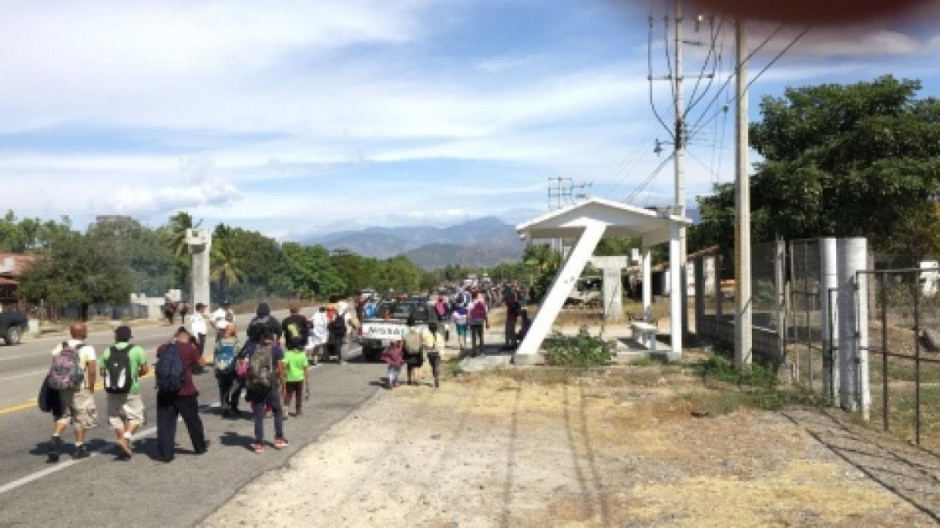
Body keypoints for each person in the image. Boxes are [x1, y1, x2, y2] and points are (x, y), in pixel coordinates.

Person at [155, 327, 209, 463]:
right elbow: (202, 363)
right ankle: (199, 446)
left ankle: (166, 454)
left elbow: (159, 355)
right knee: (192, 421)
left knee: (166, 423)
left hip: (165, 391)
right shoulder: (189, 349)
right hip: (185, 392)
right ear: (187, 338)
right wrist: (194, 347)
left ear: (176, 336)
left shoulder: (163, 348)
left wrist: (171, 341)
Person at [46, 322, 97, 462]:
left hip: (63, 386)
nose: (87, 332)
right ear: (82, 333)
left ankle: (55, 437)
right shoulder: (88, 348)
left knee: (64, 414)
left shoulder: (61, 345)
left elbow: (55, 364)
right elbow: (92, 370)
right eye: (85, 330)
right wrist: (91, 386)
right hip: (80, 387)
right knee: (81, 416)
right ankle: (79, 448)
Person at [98, 325, 148, 460]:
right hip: (131, 389)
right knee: (136, 417)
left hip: (113, 390)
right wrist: (134, 375)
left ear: (116, 336)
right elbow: (145, 369)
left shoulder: (108, 351)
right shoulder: (137, 350)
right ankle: (125, 438)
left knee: (116, 418)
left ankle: (123, 444)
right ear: (128, 337)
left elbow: (102, 372)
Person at [246, 326, 288, 453]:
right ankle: (279, 439)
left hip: (257, 386)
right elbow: (280, 369)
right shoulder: (276, 349)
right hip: (271, 384)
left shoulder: (253, 348)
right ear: (273, 337)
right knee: (277, 410)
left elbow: (250, 368)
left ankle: (259, 444)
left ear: (261, 337)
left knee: (259, 414)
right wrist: (283, 385)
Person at [215, 324, 240, 417]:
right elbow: (240, 354)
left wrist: (216, 369)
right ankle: (233, 406)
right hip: (232, 368)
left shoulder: (220, 342)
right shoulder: (236, 342)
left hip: (221, 368)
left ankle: (224, 407)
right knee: (236, 387)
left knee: (223, 388)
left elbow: (215, 355)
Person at [282, 337, 310, 418]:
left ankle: (286, 408)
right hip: (299, 378)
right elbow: (305, 368)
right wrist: (307, 380)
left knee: (288, 394)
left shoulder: (288, 354)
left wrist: (283, 374)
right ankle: (298, 410)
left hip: (289, 378)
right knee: (298, 395)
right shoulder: (302, 355)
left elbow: (284, 365)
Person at [401, 316, 424, 385]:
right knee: (416, 365)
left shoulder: (404, 329)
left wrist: (401, 349)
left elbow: (402, 340)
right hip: (417, 350)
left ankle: (409, 380)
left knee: (409, 365)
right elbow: (421, 339)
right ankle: (416, 379)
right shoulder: (418, 329)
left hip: (408, 349)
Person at [423, 322, 445, 388]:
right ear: (436, 328)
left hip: (430, 354)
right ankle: (436, 377)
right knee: (436, 366)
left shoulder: (426, 336)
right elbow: (442, 345)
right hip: (437, 354)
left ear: (429, 328)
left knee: (433, 366)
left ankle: (435, 377)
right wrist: (442, 353)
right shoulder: (439, 336)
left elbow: (425, 345)